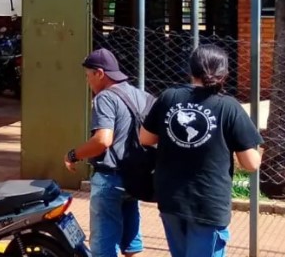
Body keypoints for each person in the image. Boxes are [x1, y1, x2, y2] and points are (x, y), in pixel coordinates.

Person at [141, 44, 263, 257]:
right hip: (209, 203)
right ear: (224, 73)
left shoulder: (169, 97)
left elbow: (145, 138)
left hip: (171, 199)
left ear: (191, 69)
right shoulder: (229, 106)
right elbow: (251, 163)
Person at [64, 48, 148, 257]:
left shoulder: (105, 98)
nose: (87, 81)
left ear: (99, 73)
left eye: (88, 76)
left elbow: (103, 140)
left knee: (103, 247)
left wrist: (73, 155)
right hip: (135, 178)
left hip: (110, 179)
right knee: (131, 243)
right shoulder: (141, 95)